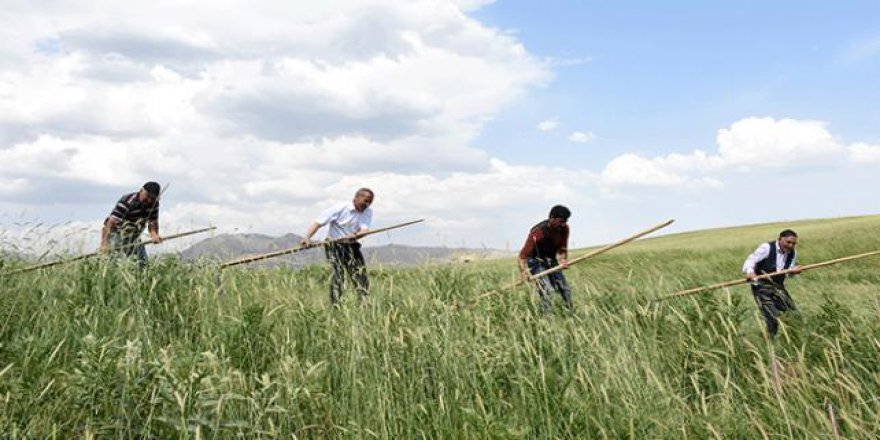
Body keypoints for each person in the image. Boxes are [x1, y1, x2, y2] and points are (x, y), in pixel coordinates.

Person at [301, 188, 374, 305]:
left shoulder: (368, 211)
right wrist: (307, 238)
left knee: (360, 275)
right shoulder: (340, 208)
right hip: (334, 245)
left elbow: (364, 229)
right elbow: (319, 222)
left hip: (352, 245)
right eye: (365, 201)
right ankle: (335, 305)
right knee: (338, 276)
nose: (367, 204)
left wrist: (356, 235)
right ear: (356, 198)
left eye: (370, 202)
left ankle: (364, 304)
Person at [742, 229, 803, 337]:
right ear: (779, 239)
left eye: (793, 243)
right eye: (788, 242)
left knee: (794, 315)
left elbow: (789, 273)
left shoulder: (792, 253)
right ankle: (764, 342)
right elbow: (751, 260)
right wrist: (750, 272)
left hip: (778, 287)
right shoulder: (767, 248)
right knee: (773, 319)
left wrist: (794, 271)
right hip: (761, 288)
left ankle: (794, 339)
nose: (790, 245)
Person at [519, 205, 572, 312]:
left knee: (564, 288)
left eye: (565, 221)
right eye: (561, 221)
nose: (563, 224)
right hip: (535, 261)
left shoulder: (564, 229)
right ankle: (545, 320)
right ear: (552, 218)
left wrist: (563, 260)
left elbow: (562, 248)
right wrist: (524, 272)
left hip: (550, 259)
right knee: (547, 290)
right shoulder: (538, 232)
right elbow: (522, 256)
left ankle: (570, 313)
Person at [99, 181, 163, 267]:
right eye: (148, 197)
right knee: (113, 263)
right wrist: (104, 244)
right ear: (141, 191)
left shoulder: (154, 204)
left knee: (142, 265)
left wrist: (154, 234)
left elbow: (153, 221)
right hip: (117, 233)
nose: (149, 200)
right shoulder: (127, 201)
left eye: (153, 198)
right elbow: (111, 223)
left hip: (134, 235)